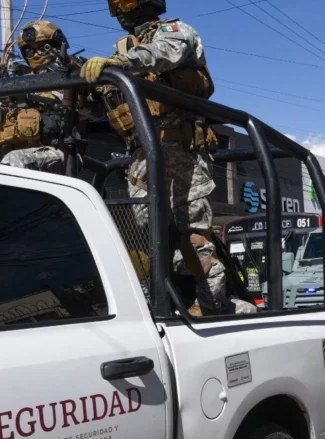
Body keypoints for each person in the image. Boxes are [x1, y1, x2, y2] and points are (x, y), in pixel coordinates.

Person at [80, 0, 255, 316]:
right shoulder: (123, 51)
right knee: (155, 239)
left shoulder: (174, 32)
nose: (122, 8)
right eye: (115, 2)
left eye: (128, 1)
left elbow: (162, 54)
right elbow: (100, 107)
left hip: (181, 153)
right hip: (142, 159)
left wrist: (117, 63)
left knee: (193, 234)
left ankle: (213, 306)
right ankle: (169, 301)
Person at [0, 20, 93, 173]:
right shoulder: (22, 83)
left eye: (41, 49)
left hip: (62, 151)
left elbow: (95, 110)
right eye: (29, 51)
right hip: (25, 152)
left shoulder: (73, 74)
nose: (35, 54)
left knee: (13, 162)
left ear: (56, 46)